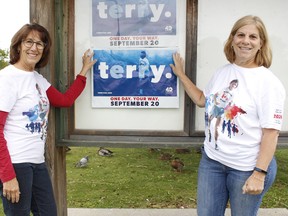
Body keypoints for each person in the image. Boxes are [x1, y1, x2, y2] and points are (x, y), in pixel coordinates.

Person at [170, 15, 286, 216]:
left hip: (246, 168)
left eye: (253, 37)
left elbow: (271, 133)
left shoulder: (268, 83)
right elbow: (201, 100)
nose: (245, 41)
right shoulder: (223, 72)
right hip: (212, 162)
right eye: (240, 35)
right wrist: (181, 75)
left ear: (261, 43)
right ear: (232, 39)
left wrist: (259, 174)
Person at [0, 23, 96, 215]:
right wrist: (8, 176)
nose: (34, 48)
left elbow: (64, 100)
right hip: (16, 164)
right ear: (18, 45)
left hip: (37, 163)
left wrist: (84, 71)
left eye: (40, 44)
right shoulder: (7, 79)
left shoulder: (38, 79)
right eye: (29, 42)